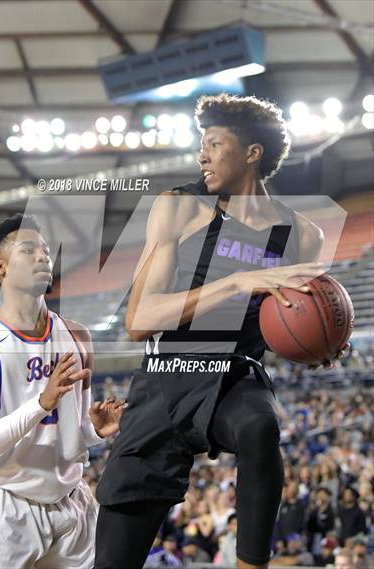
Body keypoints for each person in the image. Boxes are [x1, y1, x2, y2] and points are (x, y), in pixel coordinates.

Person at [95, 93, 347, 569]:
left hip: (234, 376)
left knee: (259, 425)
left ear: (252, 153)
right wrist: (236, 281)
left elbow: (297, 317)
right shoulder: (180, 207)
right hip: (166, 376)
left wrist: (324, 343)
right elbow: (139, 319)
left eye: (213, 143)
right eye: (201, 144)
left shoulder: (303, 235)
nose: (201, 154)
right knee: (112, 561)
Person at [0, 214, 125, 569]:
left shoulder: (78, 336)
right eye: (28, 250)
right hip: (8, 507)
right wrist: (41, 402)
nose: (43, 256)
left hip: (71, 503)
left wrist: (92, 430)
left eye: (46, 250)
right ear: (1, 268)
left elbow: (70, 436)